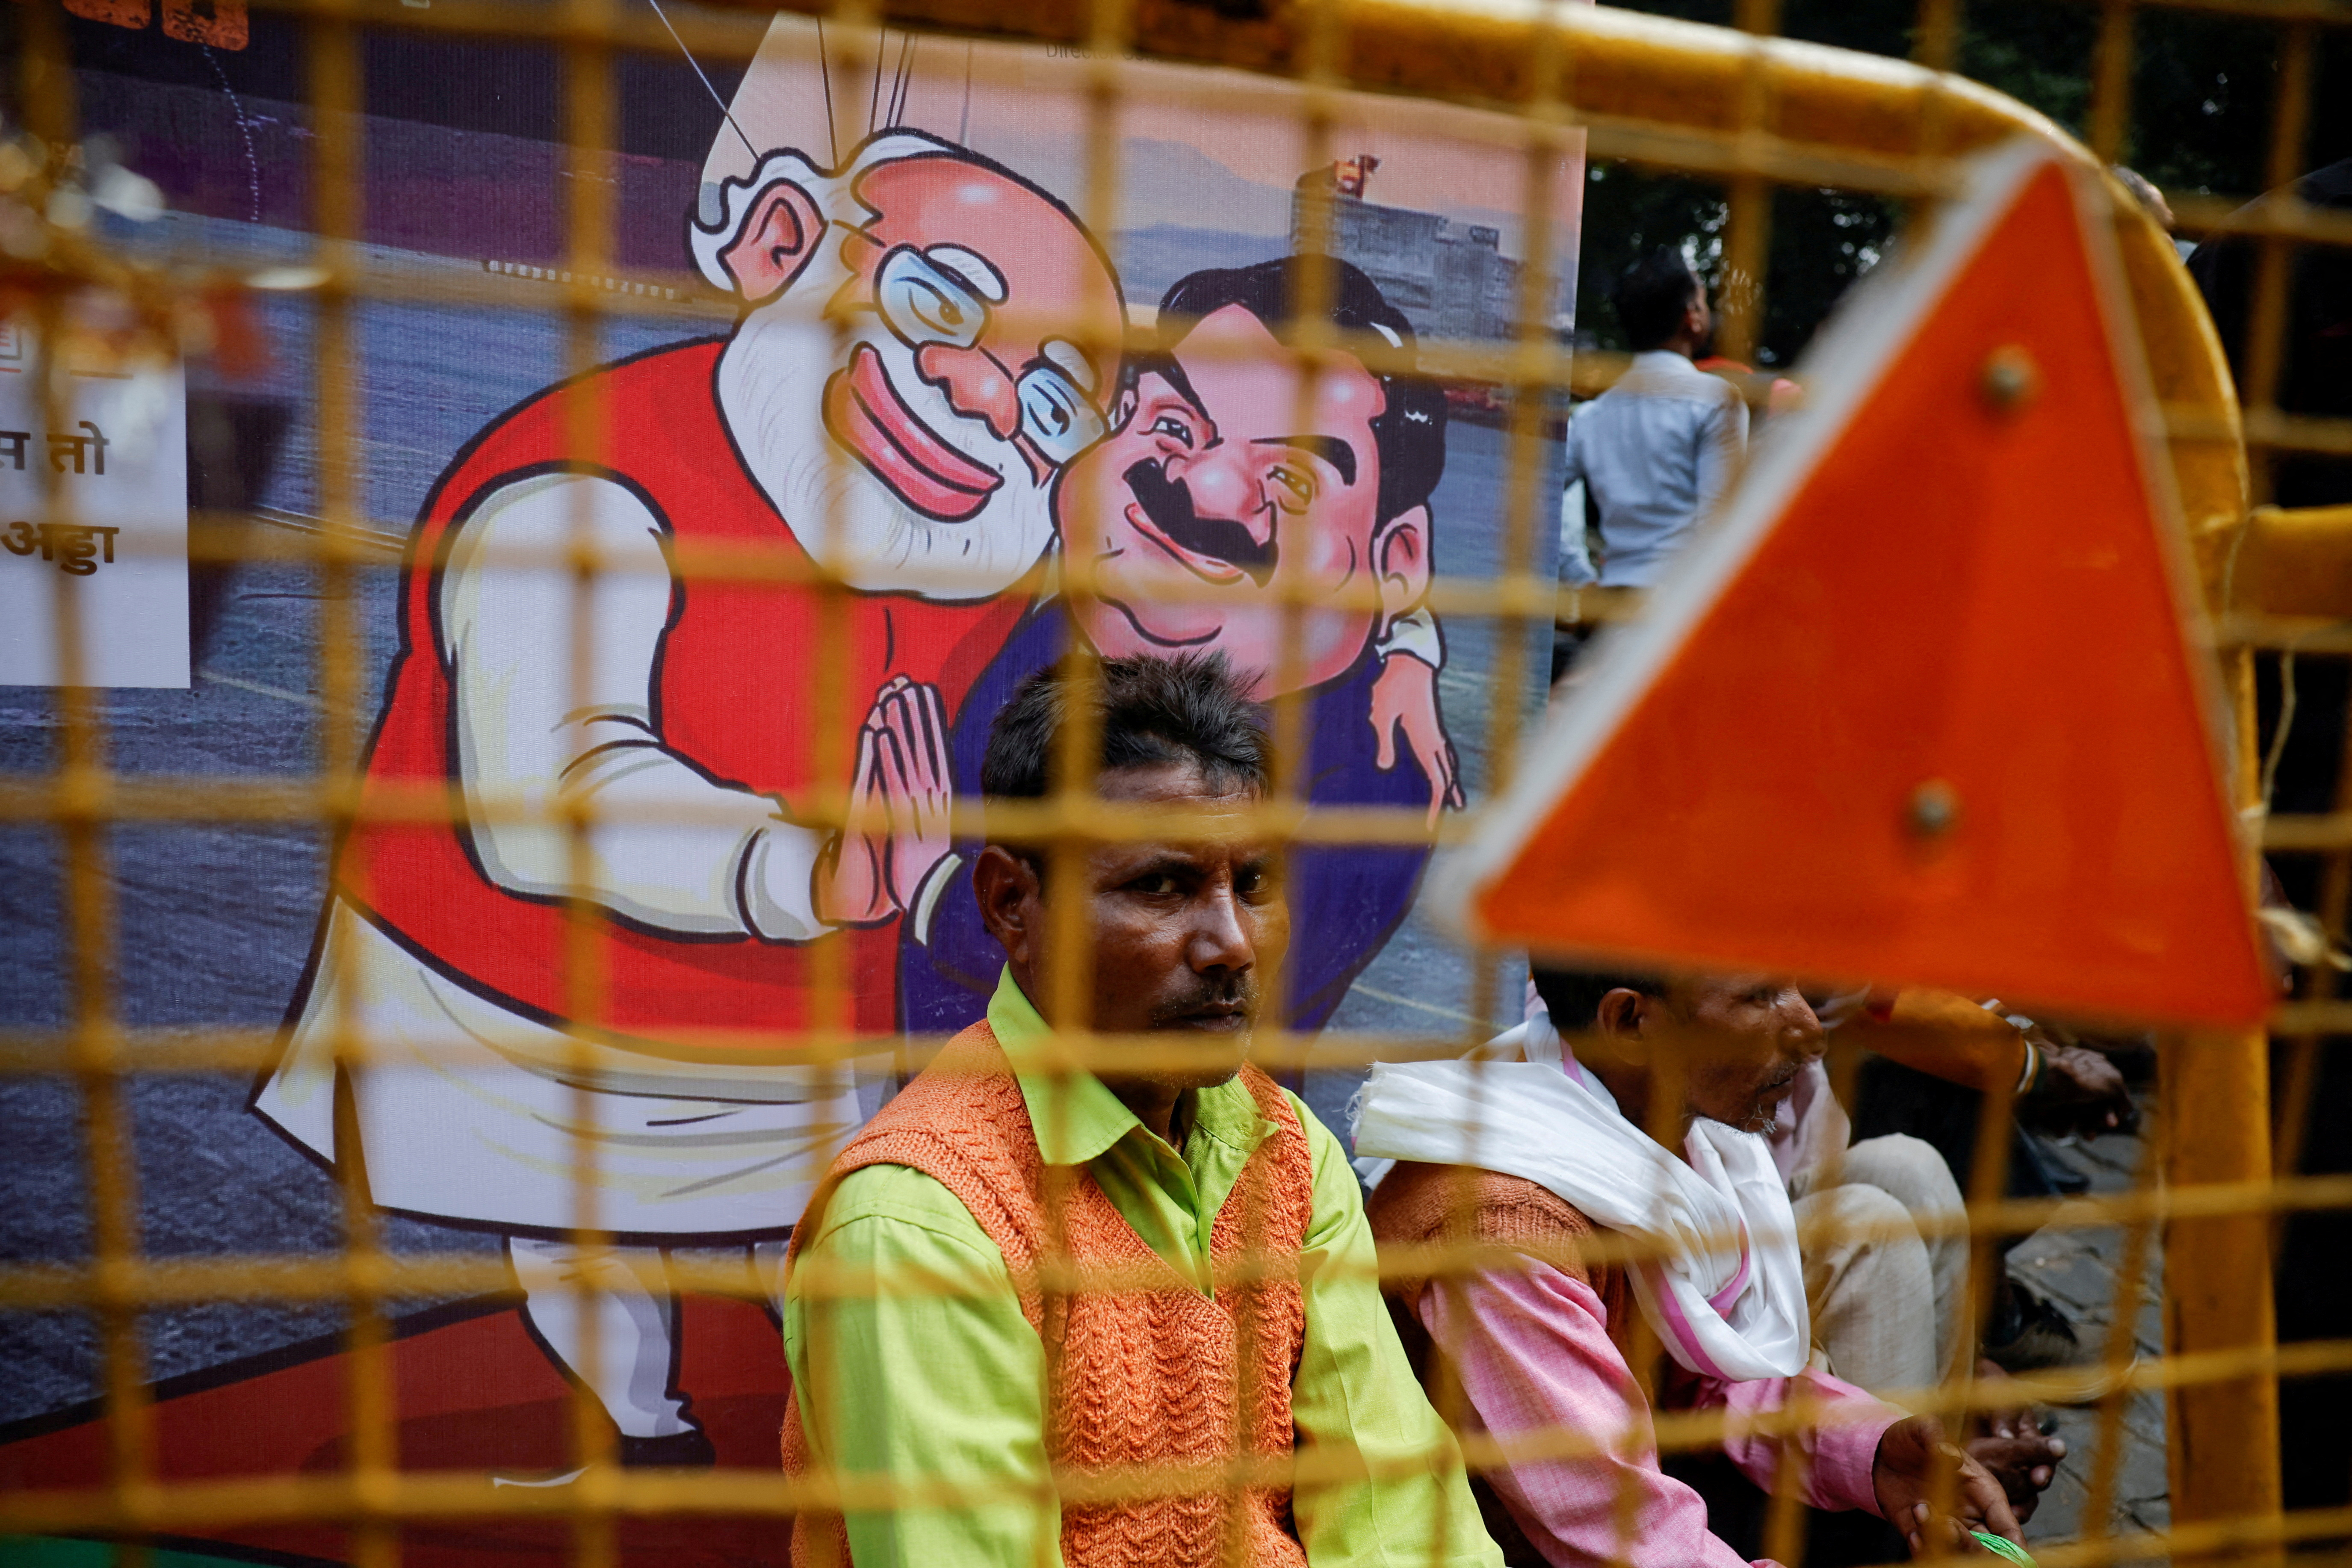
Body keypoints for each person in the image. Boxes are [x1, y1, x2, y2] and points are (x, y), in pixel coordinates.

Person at [253, 127, 1129, 1464]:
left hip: (796, 1009)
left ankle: (859, 1445)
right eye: (940, 306)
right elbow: (556, 796)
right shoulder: (579, 495)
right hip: (519, 988)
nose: (984, 400)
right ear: (784, 243)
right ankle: (646, 1429)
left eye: (1050, 398)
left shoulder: (975, 541)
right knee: (569, 1216)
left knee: (837, 1229)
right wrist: (808, 877)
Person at [780, 653, 1503, 1568]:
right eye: (1161, 886)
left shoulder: (1285, 1149)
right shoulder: (920, 1221)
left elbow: (1404, 1526)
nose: (1230, 944)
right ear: (1012, 903)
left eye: (1253, 885)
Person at [901, 257, 1460, 1036]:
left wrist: (929, 886)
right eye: (1172, 426)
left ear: (1395, 560)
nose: (1207, 491)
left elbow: (1202, 982)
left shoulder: (1374, 764)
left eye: (1291, 479)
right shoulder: (1069, 621)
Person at [1355, 965, 2046, 1568]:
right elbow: (1618, 1531)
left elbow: (1699, 1385)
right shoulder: (1505, 1238)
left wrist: (1872, 1448)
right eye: (1761, 995)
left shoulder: (1651, 1130)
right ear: (1631, 1021)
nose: (1810, 1027)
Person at [1557, 246, 1749, 596]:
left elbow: (1533, 506)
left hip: (1612, 610)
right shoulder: (1717, 401)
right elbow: (1719, 524)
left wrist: (1579, 579)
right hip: (1682, 607)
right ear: (1691, 316)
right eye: (1703, 300)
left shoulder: (1592, 416)